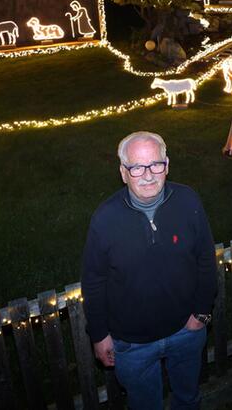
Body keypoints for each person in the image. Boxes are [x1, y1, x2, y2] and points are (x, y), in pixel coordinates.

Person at [81, 131, 217, 409]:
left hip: (186, 331)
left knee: (188, 399)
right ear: (123, 172)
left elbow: (205, 258)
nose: (148, 175)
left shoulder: (188, 201)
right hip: (132, 345)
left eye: (156, 164)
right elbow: (94, 280)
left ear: (167, 164)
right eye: (137, 167)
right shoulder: (105, 219)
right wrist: (99, 333)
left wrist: (202, 313)